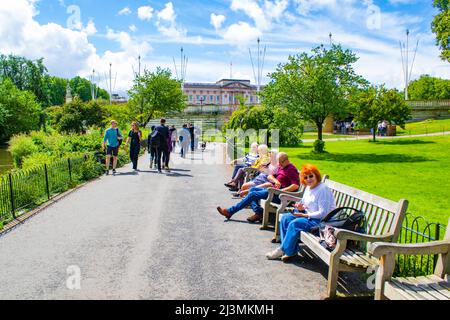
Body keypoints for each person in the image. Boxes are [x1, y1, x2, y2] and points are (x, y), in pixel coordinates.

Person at [266, 164, 336, 262]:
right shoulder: (309, 187)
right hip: (308, 216)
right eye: (306, 177)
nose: (309, 179)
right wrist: (300, 207)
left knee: (295, 224)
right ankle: (291, 251)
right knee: (286, 218)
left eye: (311, 176)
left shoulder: (323, 189)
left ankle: (282, 249)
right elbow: (304, 202)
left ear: (316, 175)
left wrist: (305, 215)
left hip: (321, 222)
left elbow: (324, 213)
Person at [217, 152, 300, 223]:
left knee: (253, 194)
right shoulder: (282, 167)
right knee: (253, 190)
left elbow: (295, 185)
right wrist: (276, 181)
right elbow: (270, 176)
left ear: (285, 160)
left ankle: (230, 211)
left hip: (280, 196)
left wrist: (281, 190)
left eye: (280, 162)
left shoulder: (291, 169)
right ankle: (259, 213)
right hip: (273, 191)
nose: (279, 164)